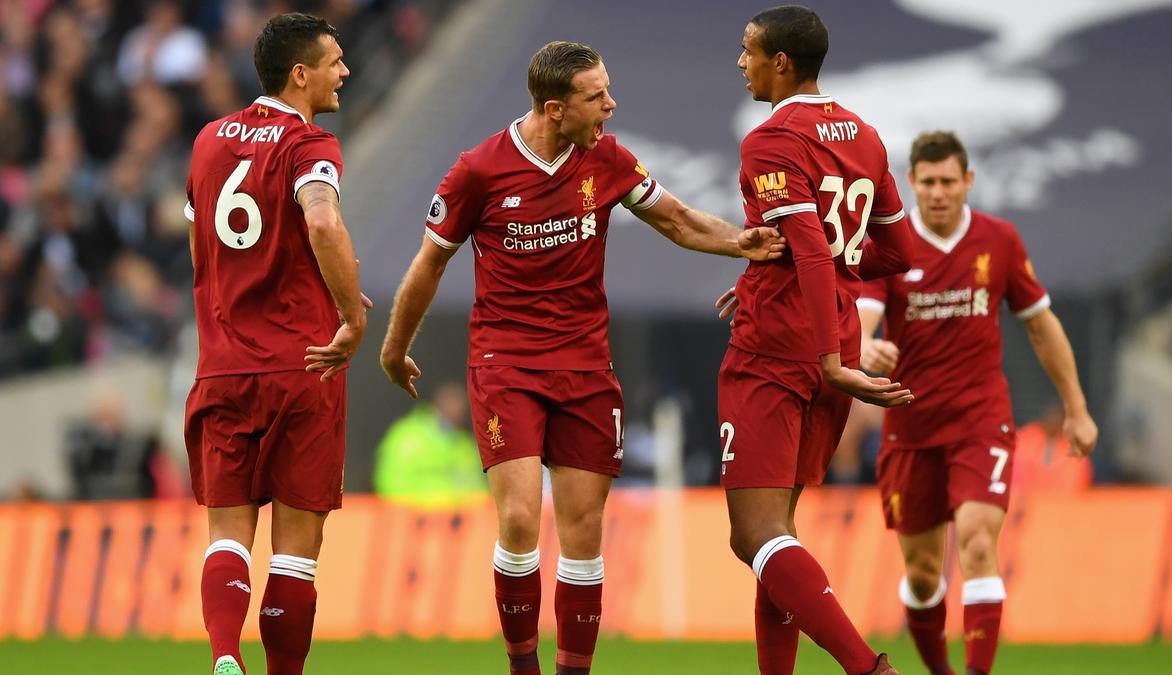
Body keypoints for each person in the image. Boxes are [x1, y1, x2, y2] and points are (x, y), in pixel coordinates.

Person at [379, 40, 785, 675]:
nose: (611, 106)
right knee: (520, 518)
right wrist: (394, 348)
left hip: (586, 369)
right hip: (506, 363)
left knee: (583, 534)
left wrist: (742, 243)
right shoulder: (479, 171)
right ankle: (523, 666)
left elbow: (677, 220)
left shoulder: (608, 160)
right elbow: (430, 263)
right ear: (555, 109)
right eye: (597, 97)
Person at [713, 6, 915, 675]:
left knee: (754, 535)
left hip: (779, 345)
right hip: (836, 334)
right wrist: (822, 282)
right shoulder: (864, 135)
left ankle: (870, 669)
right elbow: (898, 251)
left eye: (748, 51)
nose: (740, 62)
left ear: (781, 62)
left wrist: (826, 354)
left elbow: (806, 247)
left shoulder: (770, 139)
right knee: (780, 536)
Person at [856, 131, 1098, 675]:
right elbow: (862, 319)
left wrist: (1076, 408)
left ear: (967, 181)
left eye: (948, 181)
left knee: (978, 543)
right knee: (923, 576)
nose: (938, 192)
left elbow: (1041, 326)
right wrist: (864, 345)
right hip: (910, 429)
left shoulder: (999, 240)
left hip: (979, 421)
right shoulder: (889, 246)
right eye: (928, 182)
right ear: (911, 183)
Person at [182, 13, 367, 675]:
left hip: (224, 365)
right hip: (303, 363)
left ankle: (224, 655)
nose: (344, 71)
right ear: (300, 74)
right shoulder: (310, 144)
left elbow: (202, 243)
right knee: (294, 552)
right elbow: (322, 221)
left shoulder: (208, 141)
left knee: (227, 535)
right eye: (334, 61)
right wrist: (349, 312)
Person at [373, 380, 488, 508]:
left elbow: (478, 490)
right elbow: (390, 484)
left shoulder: (466, 445)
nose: (456, 408)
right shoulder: (406, 436)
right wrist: (433, 506)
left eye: (461, 403)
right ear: (436, 403)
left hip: (457, 518)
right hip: (416, 517)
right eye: (450, 400)